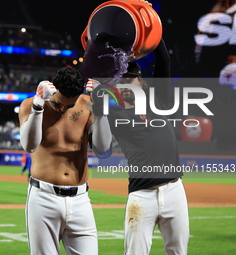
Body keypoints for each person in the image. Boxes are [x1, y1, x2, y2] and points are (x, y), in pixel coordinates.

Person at [89, 38, 189, 255]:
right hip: (141, 195)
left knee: (178, 251)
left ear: (141, 83)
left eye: (130, 80)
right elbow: (101, 147)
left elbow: (164, 59)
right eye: (121, 82)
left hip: (174, 190)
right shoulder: (114, 114)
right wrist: (98, 101)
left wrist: (154, 30)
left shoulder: (159, 100)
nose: (125, 86)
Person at [18, 66, 111, 255]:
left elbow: (103, 149)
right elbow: (29, 146)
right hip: (43, 198)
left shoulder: (88, 105)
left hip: (80, 199)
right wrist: (38, 106)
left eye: (69, 106)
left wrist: (102, 109)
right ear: (53, 88)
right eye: (59, 103)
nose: (62, 109)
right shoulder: (30, 105)